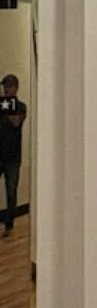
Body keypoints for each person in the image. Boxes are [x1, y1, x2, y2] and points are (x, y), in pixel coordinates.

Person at [0, 74, 27, 238]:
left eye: (9, 86)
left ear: (16, 87)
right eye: (4, 86)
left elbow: (17, 121)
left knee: (11, 191)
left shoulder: (21, 106)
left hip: (13, 158)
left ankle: (9, 224)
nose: (6, 89)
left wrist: (6, 110)